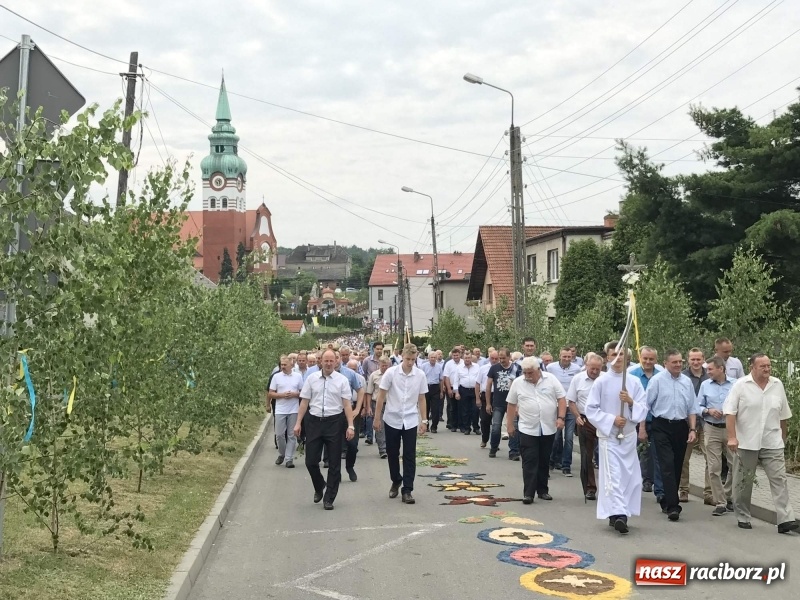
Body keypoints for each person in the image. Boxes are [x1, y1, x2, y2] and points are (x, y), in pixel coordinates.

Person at [725, 354, 798, 533]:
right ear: (752, 367)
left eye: (768, 365)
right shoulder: (741, 385)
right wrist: (732, 437)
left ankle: (785, 519)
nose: (767, 369)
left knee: (779, 479)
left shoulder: (777, 385)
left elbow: (783, 415)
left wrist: (783, 437)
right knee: (743, 481)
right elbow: (730, 413)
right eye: (763, 366)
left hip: (772, 441)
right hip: (746, 442)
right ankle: (742, 515)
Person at [585, 342, 647, 534]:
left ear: (627, 358)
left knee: (628, 476)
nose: (618, 358)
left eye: (622, 355)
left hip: (627, 437)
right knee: (613, 475)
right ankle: (619, 515)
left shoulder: (634, 382)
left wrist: (629, 402)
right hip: (609, 437)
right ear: (608, 357)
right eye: (614, 354)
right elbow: (591, 409)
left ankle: (619, 512)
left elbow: (643, 409)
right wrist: (612, 419)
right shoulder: (601, 382)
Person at [294, 349, 356, 510]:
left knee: (334, 463)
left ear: (336, 362)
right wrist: (298, 423)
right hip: (314, 421)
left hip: (334, 422)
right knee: (311, 461)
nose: (328, 364)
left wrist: (350, 425)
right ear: (321, 361)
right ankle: (319, 484)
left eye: (331, 361)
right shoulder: (311, 379)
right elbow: (304, 402)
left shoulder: (342, 380)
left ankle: (329, 497)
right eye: (325, 361)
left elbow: (347, 404)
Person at [643, 350, 700, 522]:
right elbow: (646, 405)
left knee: (676, 465)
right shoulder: (657, 381)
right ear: (666, 363)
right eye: (674, 362)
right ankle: (673, 507)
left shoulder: (686, 382)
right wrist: (642, 428)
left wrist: (692, 429)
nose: (677, 365)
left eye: (680, 362)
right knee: (666, 464)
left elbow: (692, 408)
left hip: (680, 427)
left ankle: (667, 500)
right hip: (661, 426)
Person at [506, 356, 567, 504]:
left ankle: (543, 490)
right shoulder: (518, 383)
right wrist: (509, 425)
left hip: (548, 427)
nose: (527, 376)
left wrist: (561, 418)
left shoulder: (551, 379)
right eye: (525, 373)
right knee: (529, 460)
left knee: (544, 460)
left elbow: (561, 398)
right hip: (527, 428)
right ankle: (528, 493)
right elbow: (511, 404)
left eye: (530, 373)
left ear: (538, 370)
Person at [374, 344, 428, 504]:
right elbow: (381, 396)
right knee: (392, 453)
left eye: (413, 359)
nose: (410, 362)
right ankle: (396, 479)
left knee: (410, 455)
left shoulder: (420, 375)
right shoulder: (391, 373)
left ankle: (407, 489)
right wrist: (377, 418)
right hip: (392, 417)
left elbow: (422, 398)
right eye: (407, 359)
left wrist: (424, 420)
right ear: (401, 357)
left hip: (410, 419)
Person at [698, 356, 735, 516]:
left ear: (721, 369)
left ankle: (729, 496)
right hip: (711, 428)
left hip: (731, 429)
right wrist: (708, 411)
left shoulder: (736, 384)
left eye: (710, 369)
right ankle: (720, 502)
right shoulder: (705, 385)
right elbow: (697, 405)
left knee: (735, 465)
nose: (708, 372)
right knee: (714, 467)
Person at [567, 353, 604, 501]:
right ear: (586, 366)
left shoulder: (605, 379)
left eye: (597, 369)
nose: (594, 372)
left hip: (603, 420)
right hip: (585, 419)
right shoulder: (578, 379)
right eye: (592, 368)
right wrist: (577, 416)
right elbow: (571, 401)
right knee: (587, 456)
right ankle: (590, 488)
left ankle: (609, 487)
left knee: (605, 455)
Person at [630, 346, 664, 498]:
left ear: (656, 360)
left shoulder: (662, 375)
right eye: (645, 358)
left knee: (657, 455)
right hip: (636, 422)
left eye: (651, 359)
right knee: (638, 453)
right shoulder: (632, 376)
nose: (648, 361)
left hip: (657, 421)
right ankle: (641, 481)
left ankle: (659, 488)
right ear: (640, 358)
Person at [680, 348, 711, 504]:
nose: (696, 362)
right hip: (688, 423)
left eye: (699, 359)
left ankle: (709, 493)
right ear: (688, 360)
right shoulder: (683, 377)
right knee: (684, 459)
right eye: (693, 359)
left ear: (703, 359)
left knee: (710, 459)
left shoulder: (710, 375)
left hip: (706, 423)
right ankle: (684, 490)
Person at [547, 347, 582, 477]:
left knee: (568, 438)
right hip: (556, 406)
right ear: (559, 356)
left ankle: (566, 465)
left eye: (569, 357)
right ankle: (551, 461)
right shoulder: (551, 368)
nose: (567, 359)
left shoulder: (577, 369)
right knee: (555, 436)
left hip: (571, 406)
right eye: (564, 356)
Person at [486, 347, 522, 459]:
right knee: (496, 426)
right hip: (498, 402)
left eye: (503, 358)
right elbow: (488, 386)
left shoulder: (516, 368)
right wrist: (488, 403)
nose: (501, 360)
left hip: (513, 403)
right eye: (500, 358)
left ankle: (514, 451)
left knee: (513, 427)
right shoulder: (494, 368)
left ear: (509, 357)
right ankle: (493, 447)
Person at [269, 355, 303, 469]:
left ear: (291, 365)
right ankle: (282, 454)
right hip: (280, 409)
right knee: (279, 435)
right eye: (281, 365)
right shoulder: (276, 377)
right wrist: (282, 395)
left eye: (285, 365)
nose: (283, 367)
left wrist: (294, 394)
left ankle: (289, 459)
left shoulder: (298, 377)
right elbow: (271, 393)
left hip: (293, 409)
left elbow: (302, 393)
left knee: (291, 435)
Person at [365, 356, 391, 458]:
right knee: (380, 426)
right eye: (383, 365)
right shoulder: (374, 375)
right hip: (377, 403)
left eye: (386, 366)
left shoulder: (392, 375)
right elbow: (369, 392)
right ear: (379, 365)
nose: (384, 367)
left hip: (390, 404)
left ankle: (390, 447)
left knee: (390, 426)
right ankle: (383, 449)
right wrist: (368, 407)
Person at [453, 351, 481, 435]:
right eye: (466, 358)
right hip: (463, 390)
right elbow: (456, 381)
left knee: (475, 410)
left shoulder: (477, 367)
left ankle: (476, 427)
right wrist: (456, 392)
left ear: (471, 358)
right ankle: (467, 428)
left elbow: (480, 379)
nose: (467, 359)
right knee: (465, 410)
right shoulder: (459, 368)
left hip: (474, 390)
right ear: (463, 358)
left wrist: (480, 391)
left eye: (469, 358)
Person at [475, 350, 498, 448]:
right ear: (489, 358)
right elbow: (477, 384)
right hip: (485, 396)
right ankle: (484, 439)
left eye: (496, 358)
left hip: (498, 396)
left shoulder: (501, 369)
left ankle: (495, 443)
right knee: (484, 420)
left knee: (497, 422)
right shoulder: (483, 369)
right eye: (492, 358)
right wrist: (477, 399)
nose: (494, 360)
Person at [421, 351, 444, 433]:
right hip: (426, 388)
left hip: (435, 388)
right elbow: (420, 379)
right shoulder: (423, 366)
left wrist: (441, 392)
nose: (433, 359)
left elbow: (441, 380)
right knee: (426, 408)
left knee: (435, 409)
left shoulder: (439, 367)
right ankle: (426, 426)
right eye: (432, 357)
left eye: (434, 357)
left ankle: (434, 426)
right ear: (428, 358)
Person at [442, 347, 463, 432]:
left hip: (461, 388)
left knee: (461, 407)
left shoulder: (463, 363)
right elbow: (446, 377)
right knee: (452, 407)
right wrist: (449, 389)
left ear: (460, 355)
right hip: (450, 387)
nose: (455, 357)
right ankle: (453, 425)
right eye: (454, 355)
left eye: (457, 355)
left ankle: (461, 425)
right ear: (452, 356)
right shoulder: (448, 364)